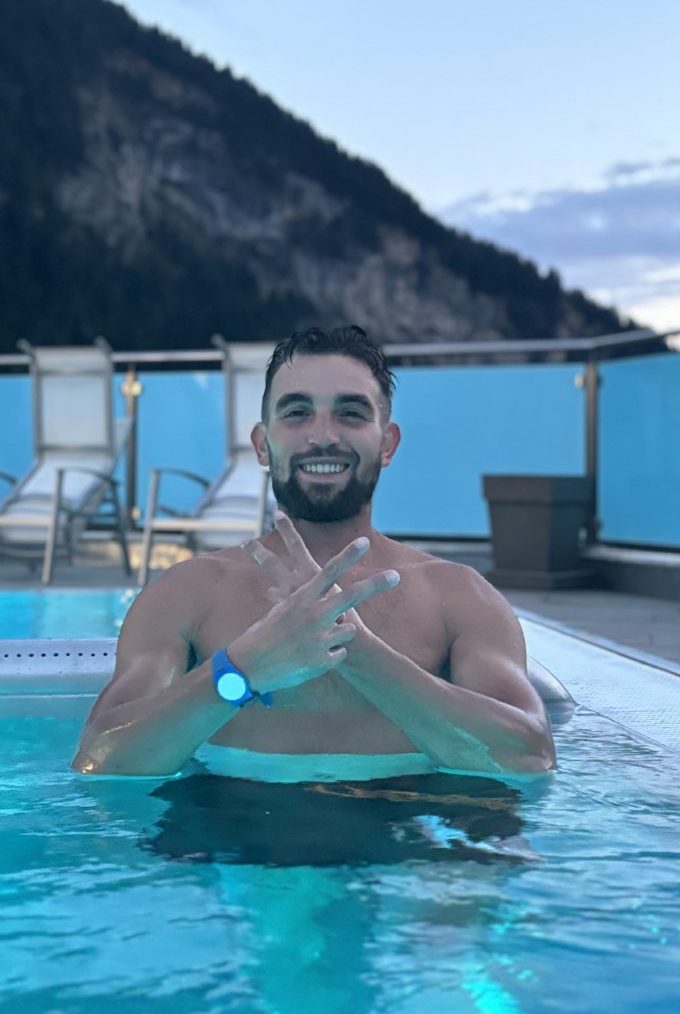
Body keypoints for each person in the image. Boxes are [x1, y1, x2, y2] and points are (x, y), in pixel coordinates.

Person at [72, 325, 556, 781]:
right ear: (263, 445)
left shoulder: (457, 595)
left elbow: (529, 757)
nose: (323, 435)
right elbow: (100, 759)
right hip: (227, 828)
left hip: (402, 827)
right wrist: (241, 670)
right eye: (297, 412)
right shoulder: (187, 593)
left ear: (387, 443)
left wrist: (358, 653)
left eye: (351, 413)